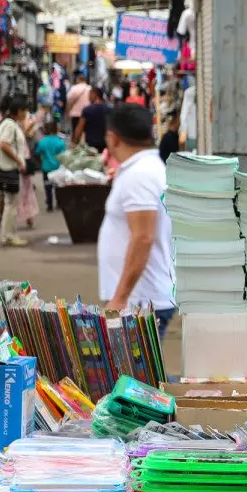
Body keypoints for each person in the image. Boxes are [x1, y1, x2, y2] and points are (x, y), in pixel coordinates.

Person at [99, 104, 176, 336]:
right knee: (139, 372)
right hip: (140, 298)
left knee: (139, 373)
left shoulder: (140, 174)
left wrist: (120, 297)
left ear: (112, 138)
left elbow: (143, 237)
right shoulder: (144, 169)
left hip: (139, 300)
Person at [0, 95, 31, 247]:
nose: (26, 113)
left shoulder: (6, 123)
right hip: (9, 167)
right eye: (24, 110)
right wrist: (18, 160)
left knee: (10, 203)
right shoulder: (9, 125)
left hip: (7, 166)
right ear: (19, 111)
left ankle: (7, 234)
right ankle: (9, 235)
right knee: (11, 204)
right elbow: (4, 144)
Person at [34, 120, 67, 212]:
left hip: (46, 167)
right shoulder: (60, 142)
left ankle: (49, 204)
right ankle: (59, 202)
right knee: (58, 185)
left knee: (47, 186)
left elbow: (37, 152)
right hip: (57, 167)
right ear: (56, 129)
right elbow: (64, 155)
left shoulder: (42, 142)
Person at [75, 87, 111, 152]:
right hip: (106, 145)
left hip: (90, 146)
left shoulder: (87, 110)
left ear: (94, 94)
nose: (88, 97)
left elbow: (79, 128)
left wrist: (75, 143)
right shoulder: (109, 109)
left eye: (89, 95)